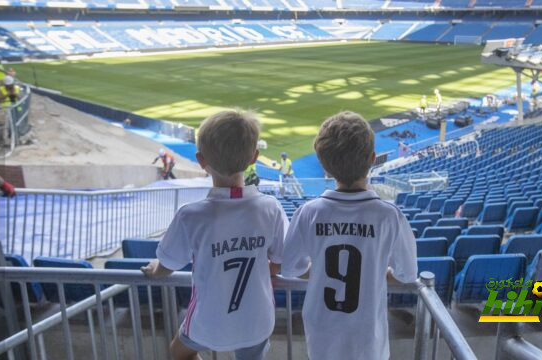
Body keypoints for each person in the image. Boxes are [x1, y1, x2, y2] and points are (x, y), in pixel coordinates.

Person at [141, 110, 287, 360]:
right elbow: (282, 259)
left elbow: (167, 265)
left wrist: (154, 270)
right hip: (257, 321)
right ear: (254, 157)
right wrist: (267, 269)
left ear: (201, 160)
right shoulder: (270, 208)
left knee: (179, 353)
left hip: (208, 321)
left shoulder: (191, 215)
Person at [281, 111, 417, 360]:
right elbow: (407, 274)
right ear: (372, 159)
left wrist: (320, 269)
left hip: (321, 332)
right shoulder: (389, 216)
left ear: (324, 164)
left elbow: (290, 268)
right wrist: (377, 271)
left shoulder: (308, 213)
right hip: (368, 337)